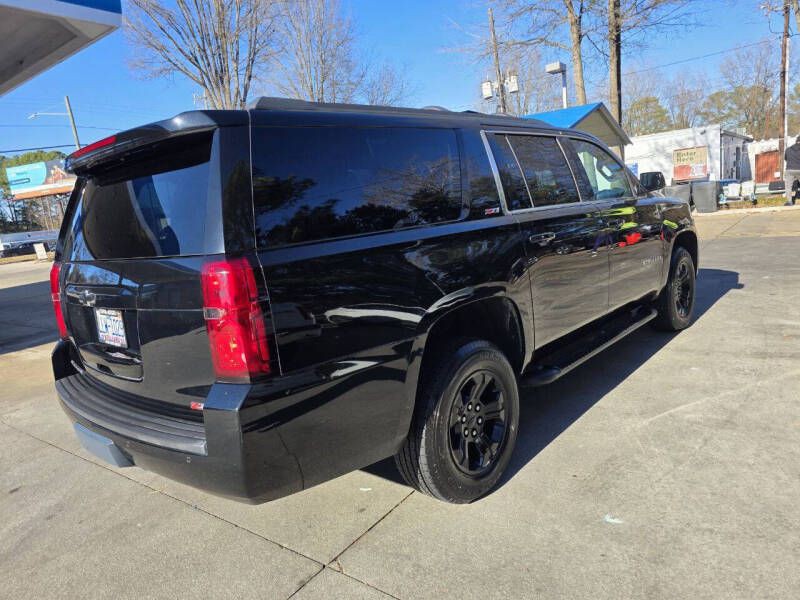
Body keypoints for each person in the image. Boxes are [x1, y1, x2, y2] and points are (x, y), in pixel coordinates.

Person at [785, 136, 800, 205]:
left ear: (796, 141)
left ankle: (789, 202)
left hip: (790, 170)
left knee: (788, 187)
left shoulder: (788, 149)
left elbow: (786, 159)